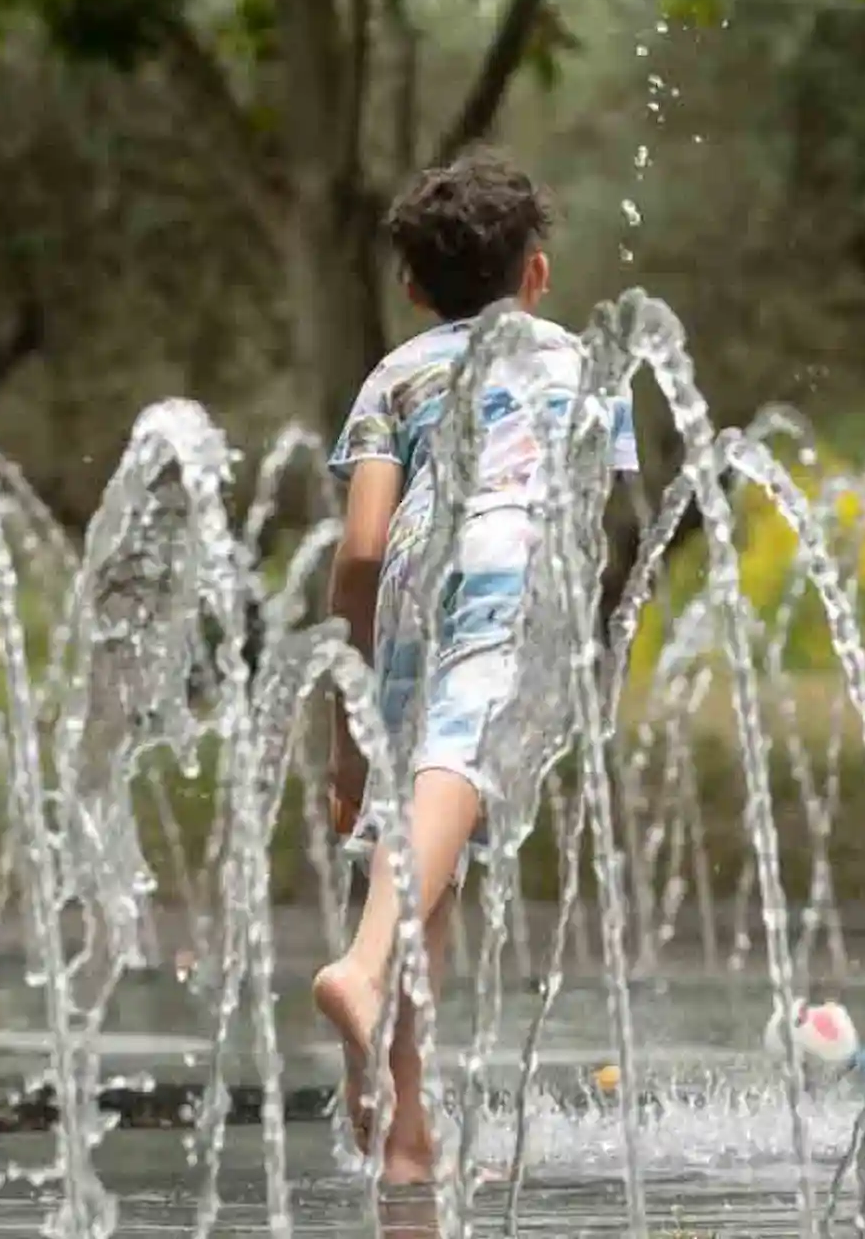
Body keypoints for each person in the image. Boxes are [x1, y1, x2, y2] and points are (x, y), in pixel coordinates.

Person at [313, 149, 638, 1185]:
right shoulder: (582, 362)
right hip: (515, 556)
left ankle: (407, 1135)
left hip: (416, 564)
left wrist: (343, 737)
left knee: (427, 843)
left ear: (412, 287)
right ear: (535, 274)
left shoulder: (395, 376)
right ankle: (364, 970)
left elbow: (361, 549)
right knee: (461, 764)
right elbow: (595, 520)